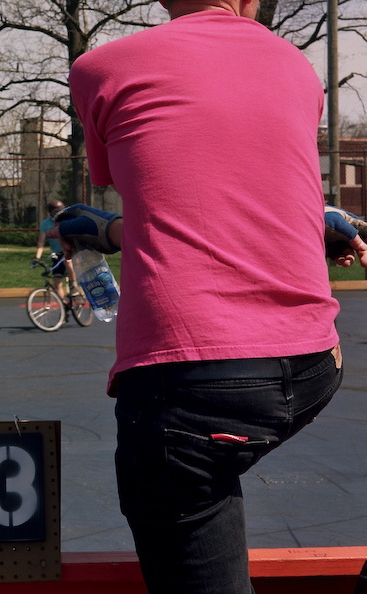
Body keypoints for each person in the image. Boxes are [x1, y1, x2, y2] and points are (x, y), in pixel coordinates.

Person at [45, 0, 363, 591]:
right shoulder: (295, 66)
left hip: (189, 386)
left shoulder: (102, 68)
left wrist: (103, 231)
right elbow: (211, 189)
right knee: (217, 456)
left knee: (189, 477)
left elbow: (150, 186)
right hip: (315, 364)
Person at [33, 200, 79, 300]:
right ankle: (64, 306)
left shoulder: (67, 221)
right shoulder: (46, 224)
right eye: (55, 211)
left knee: (68, 261)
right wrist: (37, 257)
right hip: (57, 254)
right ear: (50, 212)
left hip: (69, 251)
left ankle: (74, 285)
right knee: (57, 281)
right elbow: (41, 242)